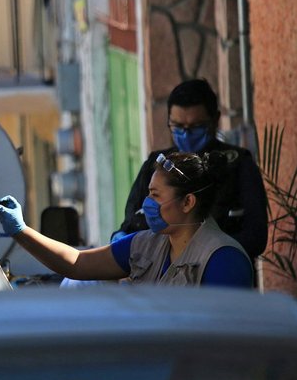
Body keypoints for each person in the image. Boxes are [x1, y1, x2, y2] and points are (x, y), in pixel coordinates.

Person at [0, 151, 253, 287]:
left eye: (155, 195)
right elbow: (77, 263)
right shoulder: (147, 245)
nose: (147, 204)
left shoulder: (223, 260)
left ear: (188, 202)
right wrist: (21, 231)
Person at [114, 79, 268, 262]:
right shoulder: (155, 166)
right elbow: (131, 223)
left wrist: (201, 253)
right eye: (178, 127)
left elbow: (256, 237)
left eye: (196, 127)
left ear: (215, 120)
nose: (186, 134)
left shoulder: (238, 165)